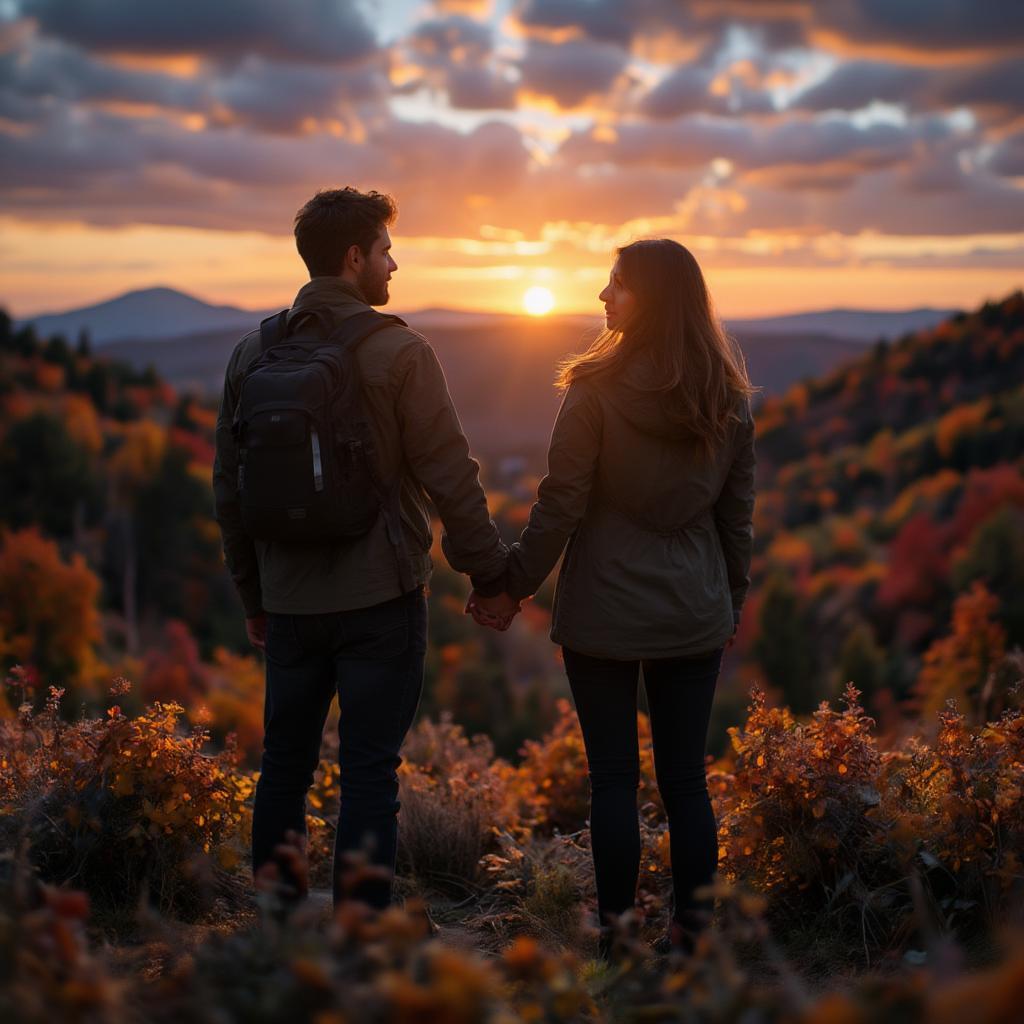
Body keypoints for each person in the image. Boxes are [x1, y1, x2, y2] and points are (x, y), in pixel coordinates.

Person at [213, 186, 509, 910]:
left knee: (284, 764)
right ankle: (361, 934)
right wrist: (491, 575)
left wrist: (255, 598)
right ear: (353, 258)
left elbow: (229, 490)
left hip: (289, 602)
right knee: (369, 770)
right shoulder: (400, 351)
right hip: (380, 596)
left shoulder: (253, 353)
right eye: (384, 250)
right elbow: (450, 474)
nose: (393, 265)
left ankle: (277, 928)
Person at [468, 238, 757, 957]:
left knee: (614, 785)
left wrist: (511, 587)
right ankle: (691, 936)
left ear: (651, 298)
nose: (602, 296)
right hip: (693, 610)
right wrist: (730, 603)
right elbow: (735, 519)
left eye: (617, 285)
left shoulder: (593, 392)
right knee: (687, 782)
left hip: (603, 615)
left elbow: (559, 505)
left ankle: (618, 936)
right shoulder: (728, 399)